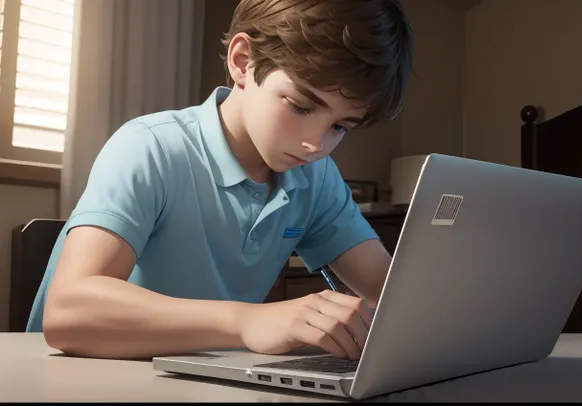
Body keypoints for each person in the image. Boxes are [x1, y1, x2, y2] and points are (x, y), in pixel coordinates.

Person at [25, 0, 413, 362]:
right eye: (300, 105)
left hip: (205, 381)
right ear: (243, 61)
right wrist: (247, 321)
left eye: (340, 126)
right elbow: (68, 312)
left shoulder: (314, 176)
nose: (316, 144)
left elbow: (394, 295)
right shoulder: (151, 146)